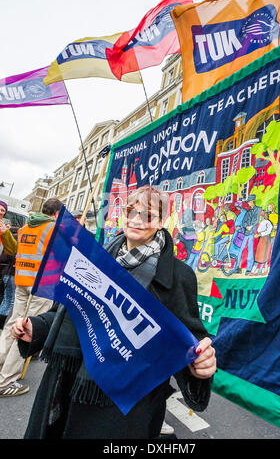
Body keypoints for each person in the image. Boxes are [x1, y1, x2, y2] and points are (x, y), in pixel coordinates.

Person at [11, 185, 216, 439]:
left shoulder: (179, 276)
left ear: (162, 221)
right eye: (131, 211)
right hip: (67, 383)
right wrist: (37, 326)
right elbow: (66, 310)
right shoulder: (95, 256)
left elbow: (187, 344)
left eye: (148, 215)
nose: (136, 220)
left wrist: (200, 365)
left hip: (121, 406)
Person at [0, 198, 63, 397]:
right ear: (56, 214)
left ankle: (2, 363)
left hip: (22, 279)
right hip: (42, 284)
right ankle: (7, 379)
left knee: (13, 323)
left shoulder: (27, 225)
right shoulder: (53, 228)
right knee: (28, 329)